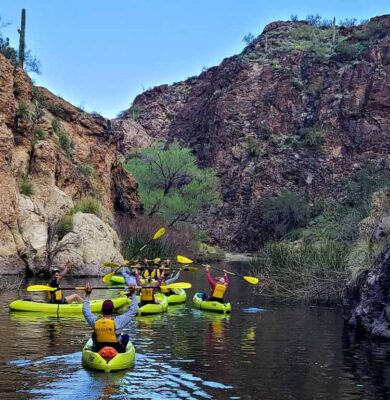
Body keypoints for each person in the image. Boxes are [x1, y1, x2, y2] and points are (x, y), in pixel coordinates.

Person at [82, 283, 138, 353]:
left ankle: (95, 350)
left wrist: (87, 295)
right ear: (113, 310)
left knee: (94, 334)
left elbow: (86, 311)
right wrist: (133, 294)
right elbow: (133, 310)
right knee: (125, 337)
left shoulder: (95, 321)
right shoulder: (118, 321)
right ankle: (122, 351)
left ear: (101, 310)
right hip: (116, 349)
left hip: (99, 348)